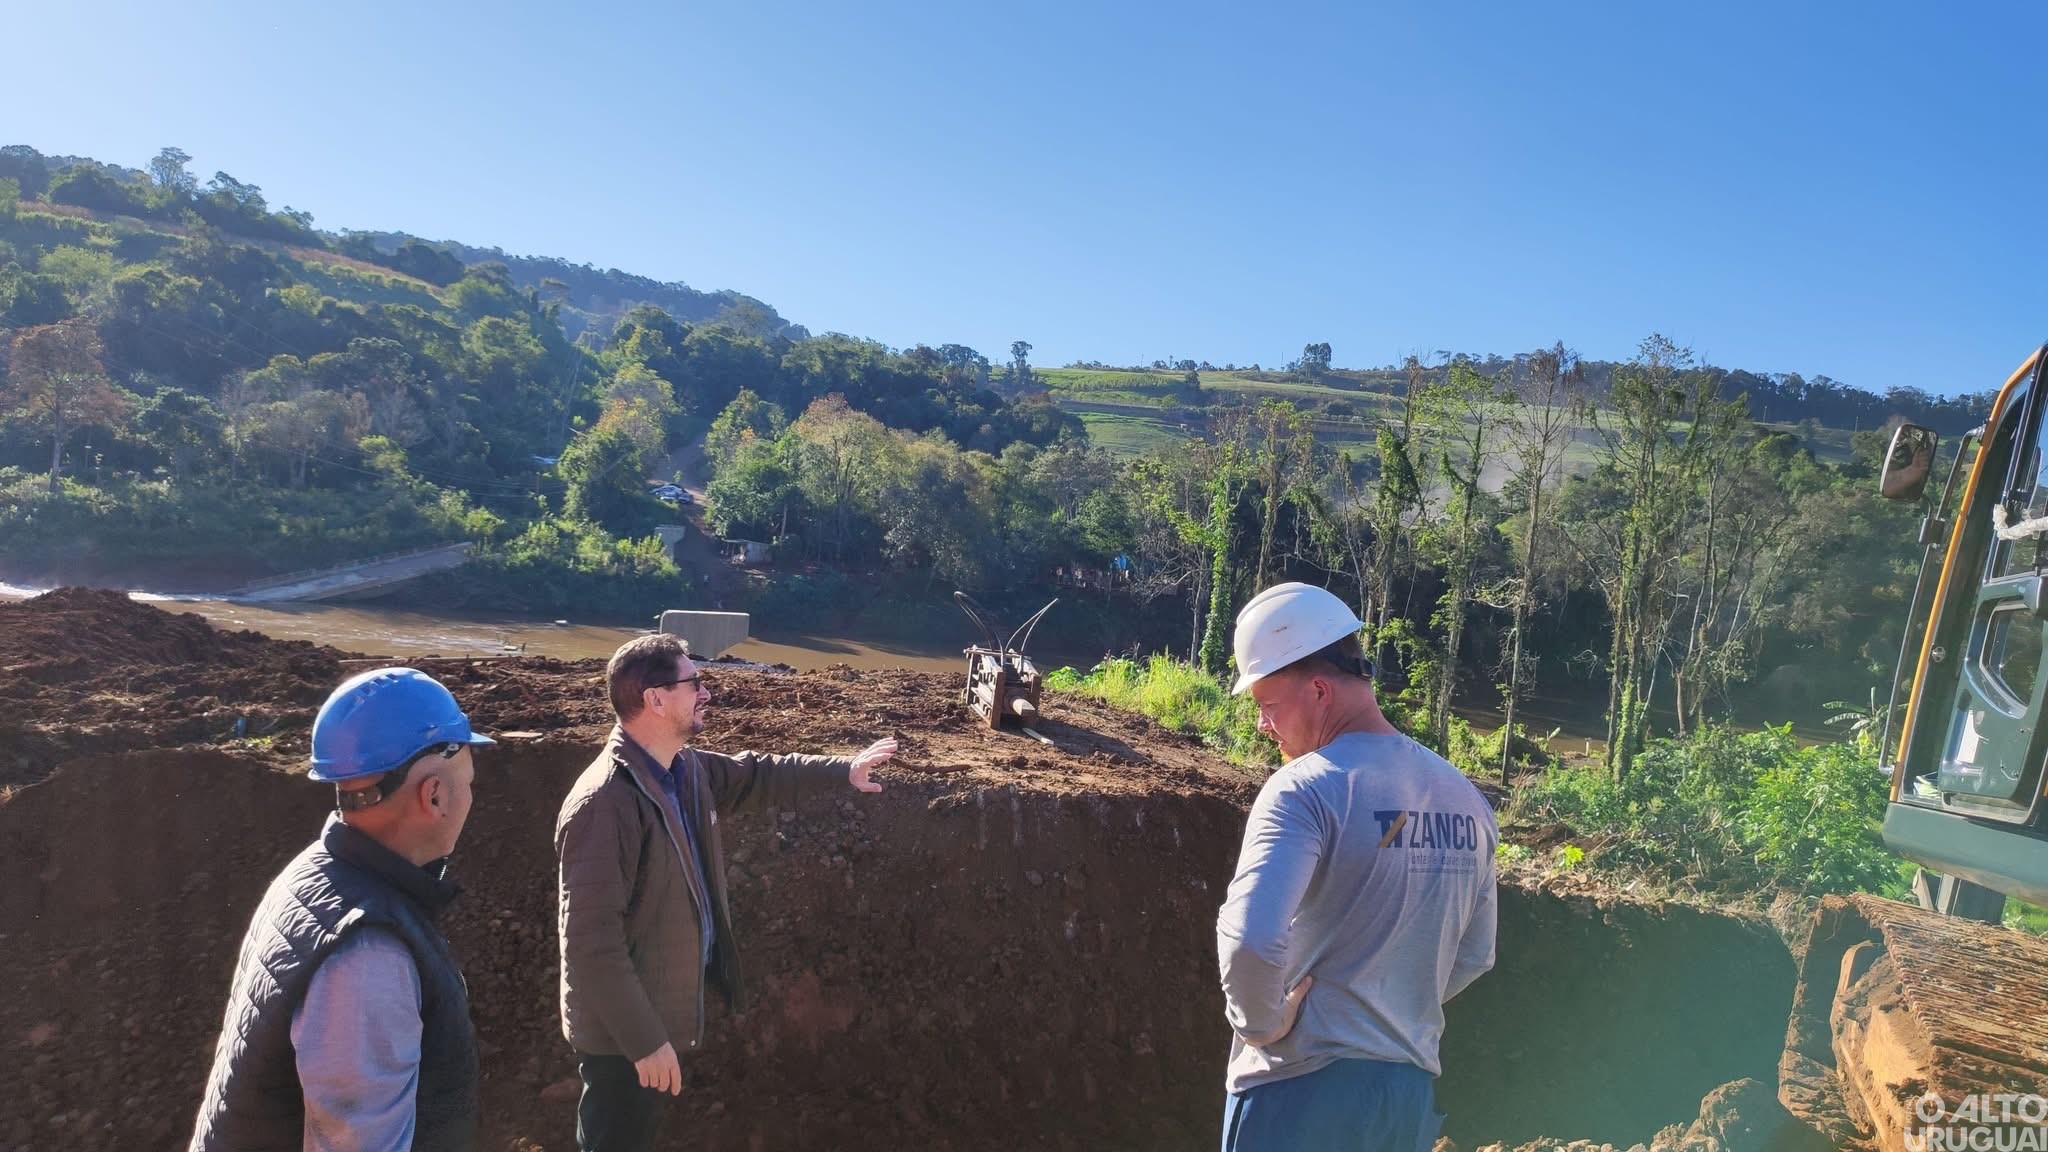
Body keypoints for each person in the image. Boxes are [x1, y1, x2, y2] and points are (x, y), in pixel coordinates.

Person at [556, 634, 900, 1152]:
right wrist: (644, 1042)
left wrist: (843, 770)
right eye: (693, 683)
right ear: (655, 699)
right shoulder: (604, 804)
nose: (706, 693)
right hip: (622, 1041)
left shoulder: (682, 768)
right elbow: (590, 945)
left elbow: (756, 774)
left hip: (655, 1018)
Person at [1215, 583, 1498, 1152]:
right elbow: (1475, 955)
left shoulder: (1304, 789)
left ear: (1319, 689)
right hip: (1404, 1099)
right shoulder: (1468, 800)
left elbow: (1249, 940)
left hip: (1296, 1095)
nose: (1262, 726)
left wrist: (1262, 1025)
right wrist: (1390, 1006)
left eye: (1267, 705)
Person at [190, 667, 497, 1152]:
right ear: (434, 794)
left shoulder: (318, 870)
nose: (471, 797)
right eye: (470, 783)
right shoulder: (368, 956)